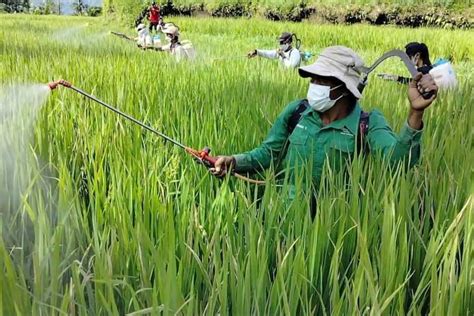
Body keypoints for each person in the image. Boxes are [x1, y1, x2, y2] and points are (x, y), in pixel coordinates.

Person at [212, 46, 438, 206]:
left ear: (345, 87)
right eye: (313, 79)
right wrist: (233, 161)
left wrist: (415, 113)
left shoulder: (367, 123)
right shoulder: (297, 112)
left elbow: (398, 163)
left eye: (323, 80)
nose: (314, 86)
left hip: (334, 228)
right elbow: (267, 154)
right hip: (282, 216)